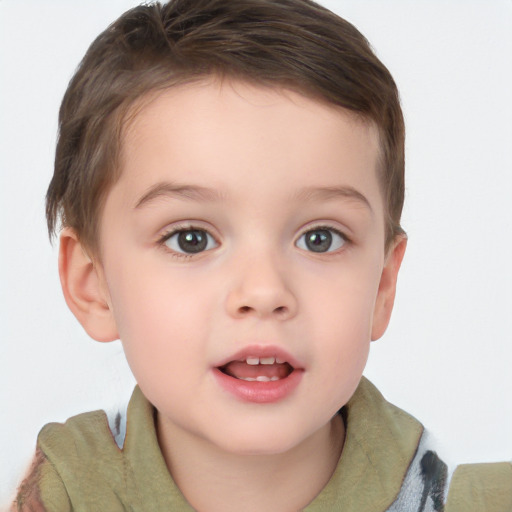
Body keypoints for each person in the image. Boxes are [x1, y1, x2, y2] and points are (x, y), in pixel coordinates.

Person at [10, 0, 511, 510]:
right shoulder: (64, 492)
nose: (264, 291)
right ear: (92, 283)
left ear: (382, 284)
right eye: (191, 239)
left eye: (320, 238)